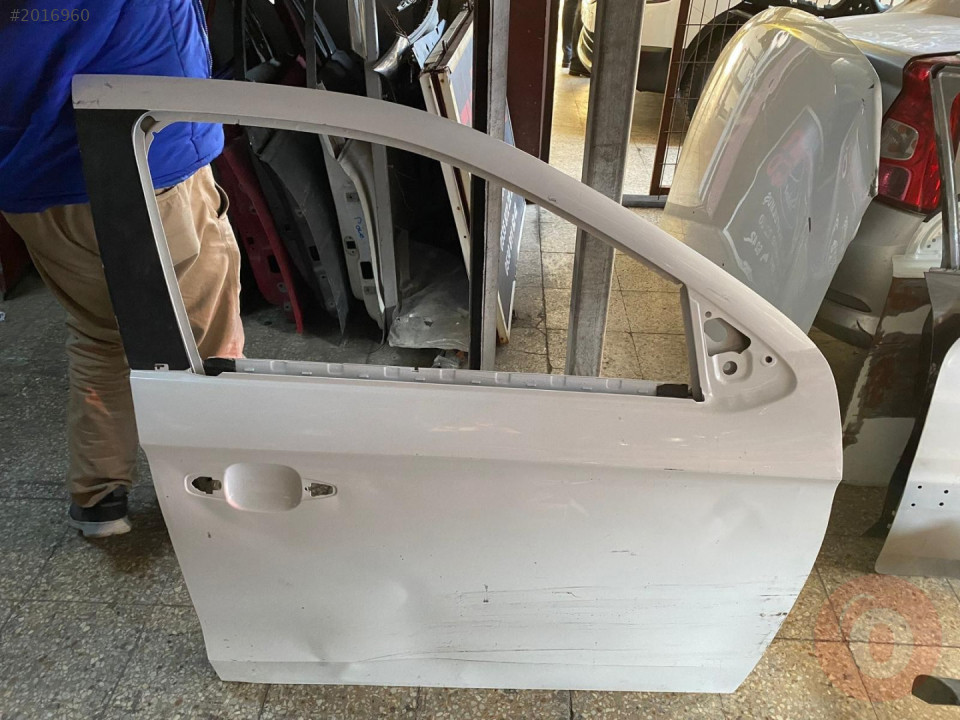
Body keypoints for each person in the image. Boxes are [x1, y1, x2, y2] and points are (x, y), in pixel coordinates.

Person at [0, 0, 245, 537]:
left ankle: (98, 501)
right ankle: (223, 489)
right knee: (207, 338)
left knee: (99, 332)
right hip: (153, 165)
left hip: (33, 182)